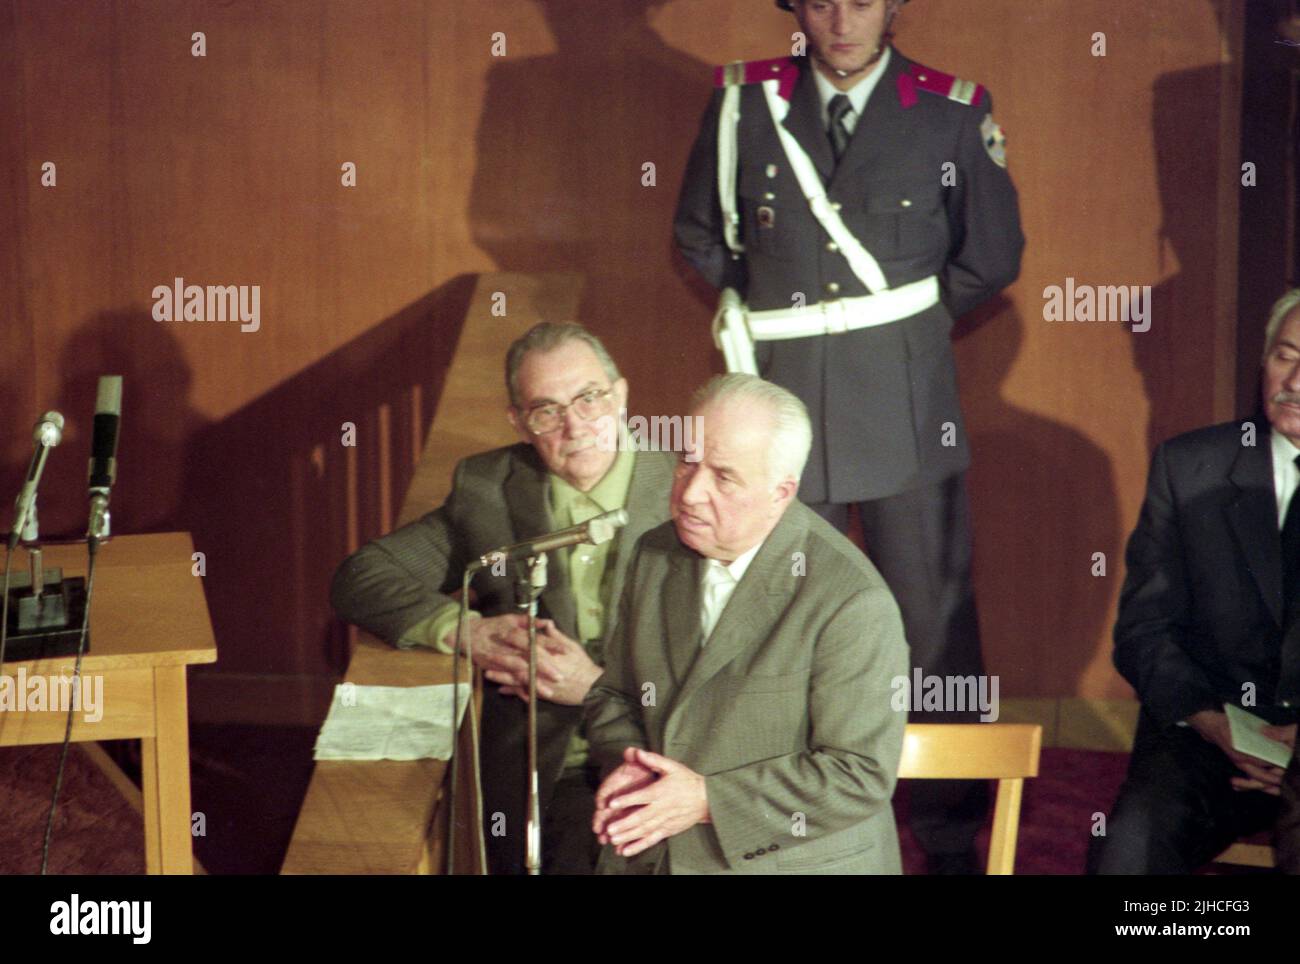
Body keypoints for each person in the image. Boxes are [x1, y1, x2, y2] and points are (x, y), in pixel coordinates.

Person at [672, 0, 1024, 873]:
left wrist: (892, 331)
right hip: (779, 416)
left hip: (906, 411)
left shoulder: (951, 110)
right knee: (778, 617)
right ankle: (774, 815)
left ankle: (948, 837)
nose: (841, 21)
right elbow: (700, 233)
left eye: (862, 0)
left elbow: (995, 252)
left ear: (895, 6)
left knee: (933, 625)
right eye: (822, 1)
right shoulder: (740, 104)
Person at [330, 322, 674, 875]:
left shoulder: (690, 489)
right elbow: (362, 576)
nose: (575, 426)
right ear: (520, 422)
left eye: (590, 398)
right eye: (547, 411)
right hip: (550, 770)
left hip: (663, 754)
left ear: (622, 395)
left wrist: (597, 688)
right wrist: (468, 631)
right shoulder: (489, 489)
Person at [584, 374, 908, 874]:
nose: (691, 493)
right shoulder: (654, 553)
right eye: (687, 461)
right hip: (653, 853)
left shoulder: (851, 601)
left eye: (724, 476)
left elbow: (857, 773)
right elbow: (614, 696)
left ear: (782, 491)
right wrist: (632, 763)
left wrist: (706, 799)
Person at [1088, 290, 1300, 874]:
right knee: (1124, 862)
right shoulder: (1189, 466)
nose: (1296, 381)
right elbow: (1145, 628)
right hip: (1208, 735)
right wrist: (1214, 723)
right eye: (1285, 356)